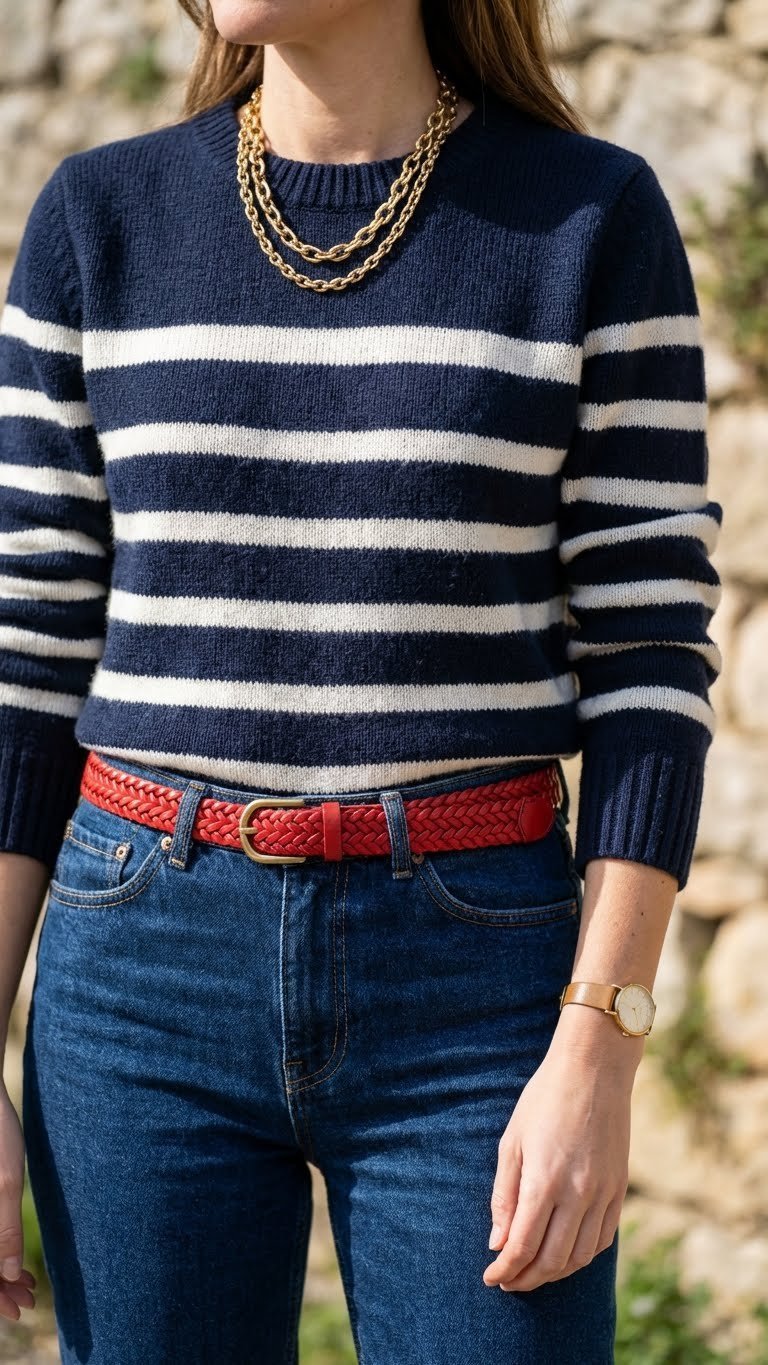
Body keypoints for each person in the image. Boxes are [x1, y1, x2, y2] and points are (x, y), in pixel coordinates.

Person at [0, 0, 723, 1360]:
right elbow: (26, 657)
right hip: (137, 968)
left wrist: (605, 1044)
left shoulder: (588, 220)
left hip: (478, 982)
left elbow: (650, 663)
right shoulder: (97, 220)